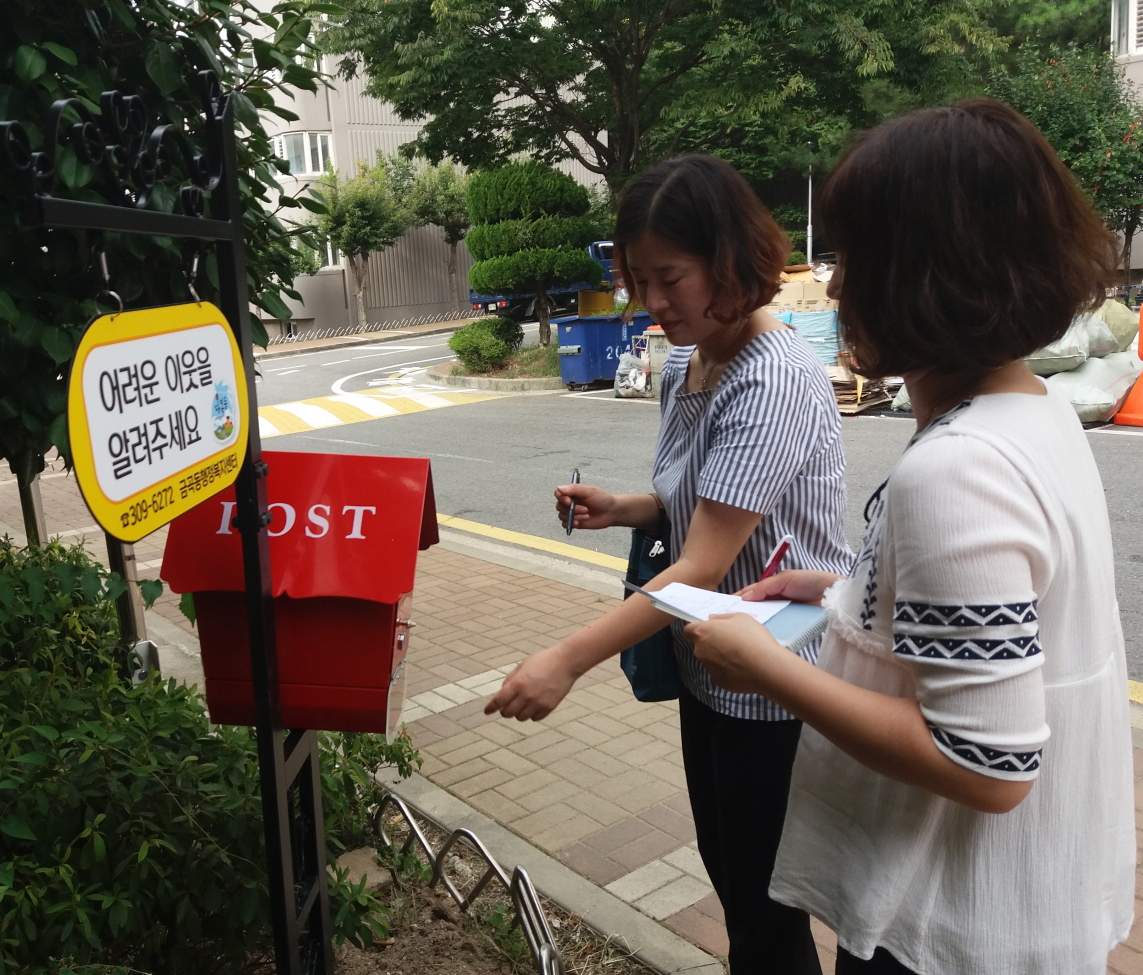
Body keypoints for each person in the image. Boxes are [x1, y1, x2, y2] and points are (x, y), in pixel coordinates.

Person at [688, 98, 1134, 975]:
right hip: (1032, 908)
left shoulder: (957, 467)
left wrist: (766, 666)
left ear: (935, 272)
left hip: (949, 929)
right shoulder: (1031, 411)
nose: (840, 286)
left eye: (859, 257)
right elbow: (1008, 627)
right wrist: (839, 587)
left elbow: (986, 763)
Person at [485, 154, 855, 975]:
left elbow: (697, 563)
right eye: (637, 277)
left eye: (672, 277)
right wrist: (624, 505)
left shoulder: (775, 378)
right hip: (710, 665)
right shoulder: (689, 362)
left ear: (730, 262)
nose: (652, 301)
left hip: (776, 679)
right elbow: (693, 501)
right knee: (733, 883)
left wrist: (566, 659)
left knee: (766, 911)